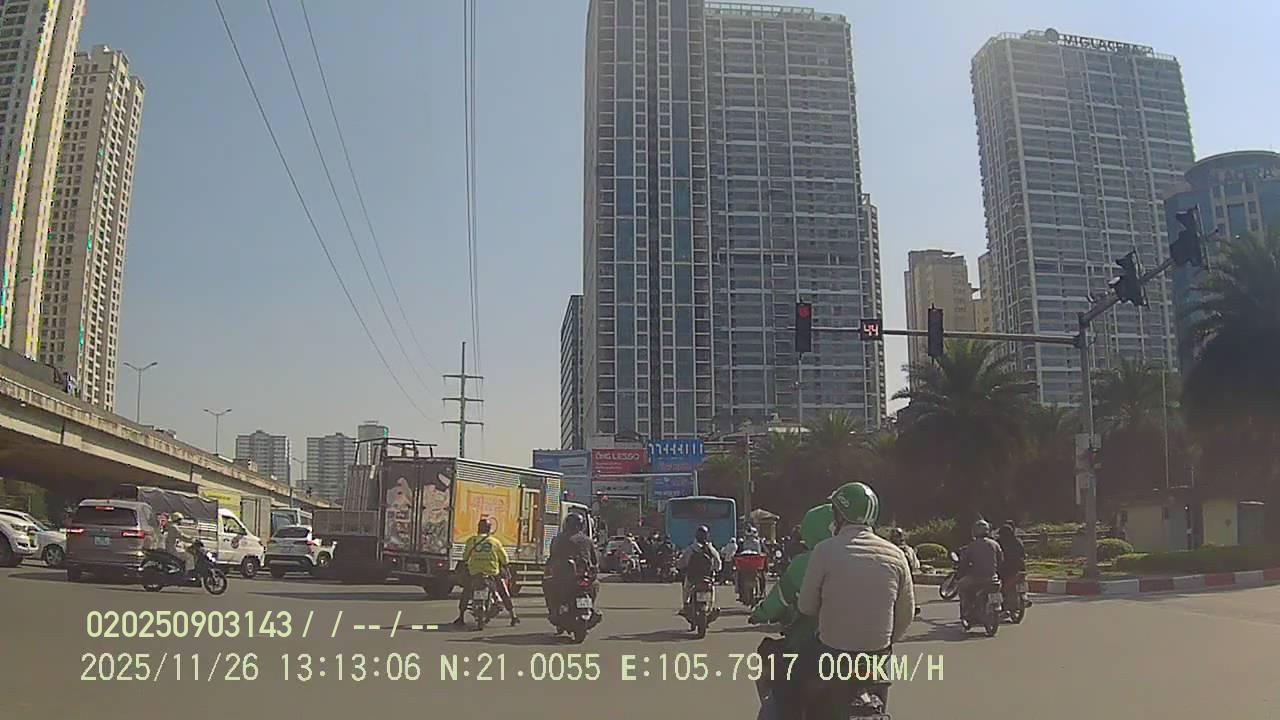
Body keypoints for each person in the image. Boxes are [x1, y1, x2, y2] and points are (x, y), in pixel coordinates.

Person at [795, 482, 915, 711]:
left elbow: (807, 606)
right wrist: (885, 640)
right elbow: (906, 614)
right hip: (878, 654)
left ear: (840, 515)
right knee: (879, 698)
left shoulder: (824, 550)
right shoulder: (896, 555)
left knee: (797, 685)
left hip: (833, 651)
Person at [453, 518, 520, 627]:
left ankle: (461, 616)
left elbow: (465, 557)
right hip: (492, 572)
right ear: (489, 529)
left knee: (466, 592)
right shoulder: (495, 542)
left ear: (478, 528)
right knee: (503, 591)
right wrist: (505, 566)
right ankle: (513, 616)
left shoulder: (472, 541)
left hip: (474, 572)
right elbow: (504, 559)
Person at [545, 513, 601, 630]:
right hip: (583, 578)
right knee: (595, 585)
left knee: (548, 585)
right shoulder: (587, 540)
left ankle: (554, 611)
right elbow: (595, 561)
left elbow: (553, 557)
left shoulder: (558, 539)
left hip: (564, 578)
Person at [957, 520, 1004, 618]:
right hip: (993, 577)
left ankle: (967, 610)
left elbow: (964, 562)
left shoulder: (972, 546)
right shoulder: (995, 544)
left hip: (977, 578)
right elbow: (1001, 560)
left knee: (961, 585)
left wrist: (961, 572)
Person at [677, 525, 722, 621]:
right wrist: (716, 570)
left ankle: (685, 607)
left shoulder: (691, 548)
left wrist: (680, 567)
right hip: (708, 577)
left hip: (693, 578)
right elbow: (718, 563)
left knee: (686, 589)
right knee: (711, 590)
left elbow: (681, 562)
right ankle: (710, 608)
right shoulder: (711, 548)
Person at [996, 522, 1028, 608]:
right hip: (1020, 568)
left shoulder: (998, 542)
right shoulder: (1018, 541)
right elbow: (1023, 554)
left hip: (1005, 569)